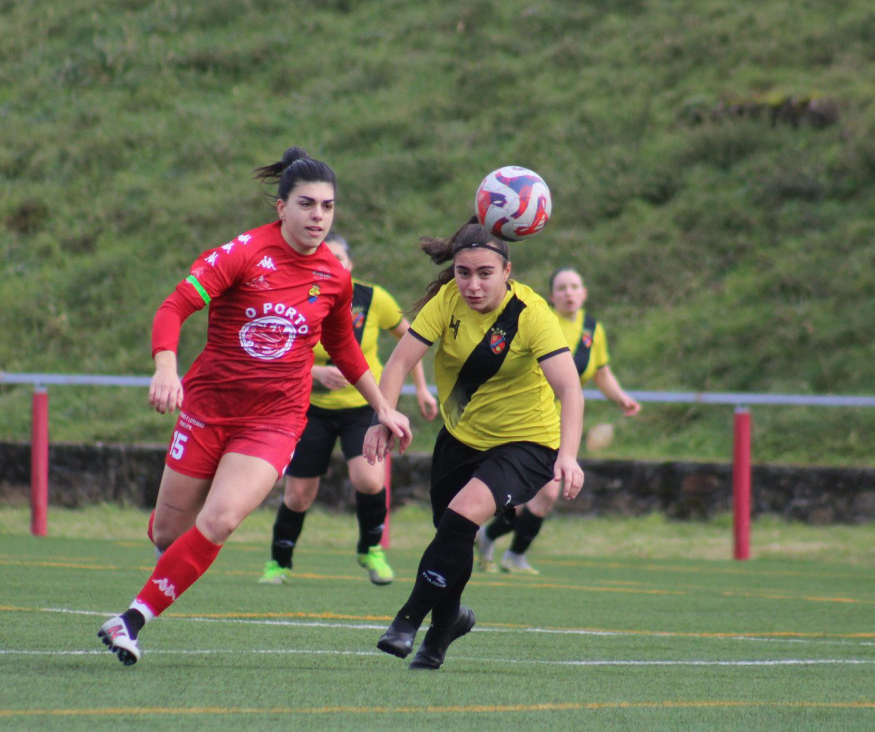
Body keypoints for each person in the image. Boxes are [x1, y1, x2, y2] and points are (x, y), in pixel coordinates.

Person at [97, 147, 412, 667]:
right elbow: (175, 306)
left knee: (220, 520)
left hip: (276, 419)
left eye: (328, 206)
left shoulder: (335, 277)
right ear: (281, 207)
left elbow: (343, 347)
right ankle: (170, 550)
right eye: (306, 204)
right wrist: (166, 369)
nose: (318, 216)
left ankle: (130, 621)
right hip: (208, 407)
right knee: (169, 535)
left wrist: (382, 405)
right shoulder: (242, 253)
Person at [364, 218, 585, 671]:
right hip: (460, 437)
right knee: (452, 533)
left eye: (485, 273)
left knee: (461, 516)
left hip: (526, 442)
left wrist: (568, 455)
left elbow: (570, 389)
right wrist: (383, 415)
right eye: (464, 273)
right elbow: (399, 363)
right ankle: (448, 624)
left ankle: (408, 620)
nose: (473, 285)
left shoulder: (531, 313)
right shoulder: (447, 301)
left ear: (507, 271)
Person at [260, 233, 438, 587]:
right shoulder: (297, 295)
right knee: (298, 495)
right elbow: (275, 350)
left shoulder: (373, 298)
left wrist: (421, 388)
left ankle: (371, 550)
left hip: (362, 407)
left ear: (350, 265)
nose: (333, 263)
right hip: (310, 407)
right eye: (326, 257)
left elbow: (411, 340)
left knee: (369, 480)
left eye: (339, 258)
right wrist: (316, 373)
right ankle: (279, 563)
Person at [475, 267, 641, 574]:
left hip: (561, 421)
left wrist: (621, 398)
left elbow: (601, 372)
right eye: (562, 288)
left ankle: (500, 546)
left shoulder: (592, 329)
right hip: (529, 415)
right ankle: (502, 548)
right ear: (552, 296)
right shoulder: (540, 319)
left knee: (539, 496)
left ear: (584, 293)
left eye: (574, 286)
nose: (569, 293)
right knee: (544, 492)